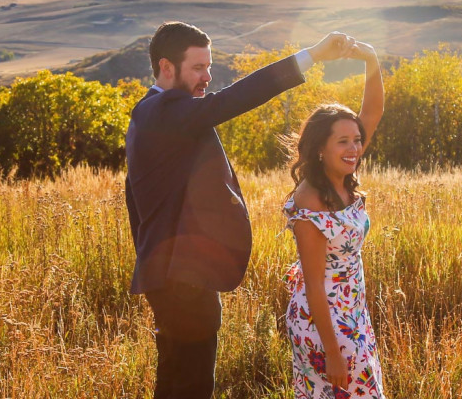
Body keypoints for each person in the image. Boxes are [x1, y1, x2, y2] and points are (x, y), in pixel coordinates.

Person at [124, 21, 355, 399]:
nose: (207, 77)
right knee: (192, 387)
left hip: (170, 275)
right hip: (182, 278)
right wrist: (312, 55)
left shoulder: (149, 115)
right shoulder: (165, 110)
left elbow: (135, 200)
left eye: (209, 66)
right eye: (198, 68)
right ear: (166, 67)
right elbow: (235, 98)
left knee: (175, 383)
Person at [282, 41, 385, 399]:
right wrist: (331, 352)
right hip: (323, 320)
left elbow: (371, 111)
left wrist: (370, 58)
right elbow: (313, 284)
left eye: (357, 140)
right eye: (343, 141)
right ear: (320, 148)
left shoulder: (340, 176)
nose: (354, 149)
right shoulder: (310, 201)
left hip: (352, 311)